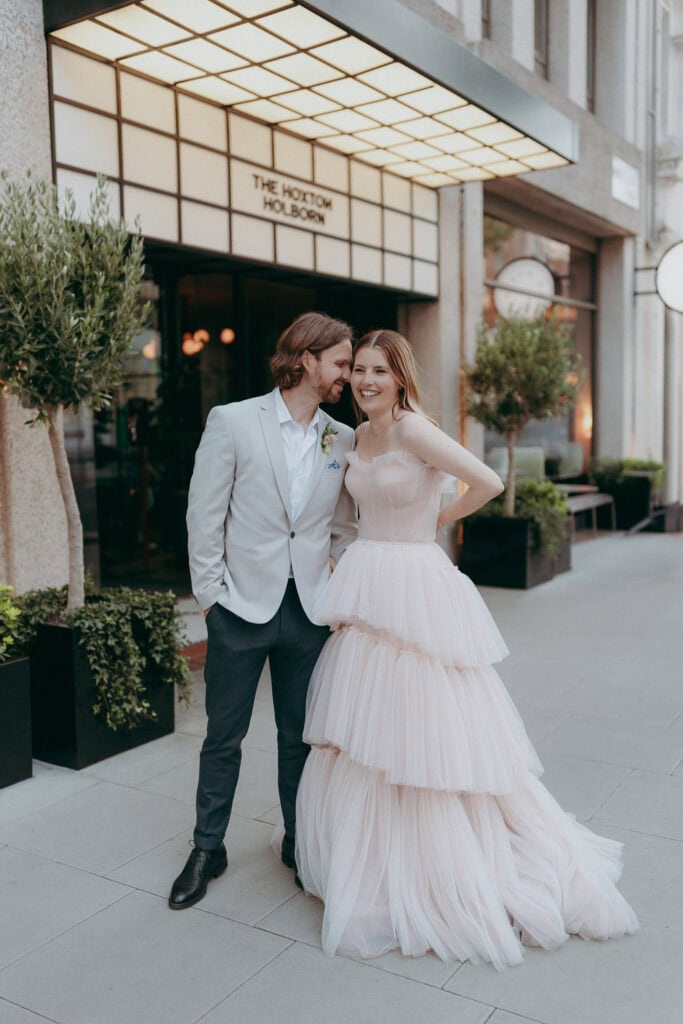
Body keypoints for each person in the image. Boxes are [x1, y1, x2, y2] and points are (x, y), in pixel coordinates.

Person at [295, 329, 638, 970]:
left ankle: (440, 859)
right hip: (368, 581)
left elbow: (485, 481)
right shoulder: (354, 437)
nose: (366, 381)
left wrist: (437, 522)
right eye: (358, 370)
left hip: (414, 580)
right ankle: (372, 856)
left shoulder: (412, 429)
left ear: (399, 377)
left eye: (378, 371)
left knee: (425, 720)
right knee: (368, 727)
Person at [169, 311, 357, 910]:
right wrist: (211, 602)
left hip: (308, 613)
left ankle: (299, 844)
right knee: (223, 736)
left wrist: (338, 592)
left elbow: (341, 529)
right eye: (342, 364)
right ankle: (207, 847)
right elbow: (204, 517)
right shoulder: (232, 421)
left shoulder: (341, 438)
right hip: (240, 609)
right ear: (306, 359)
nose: (348, 378)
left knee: (298, 738)